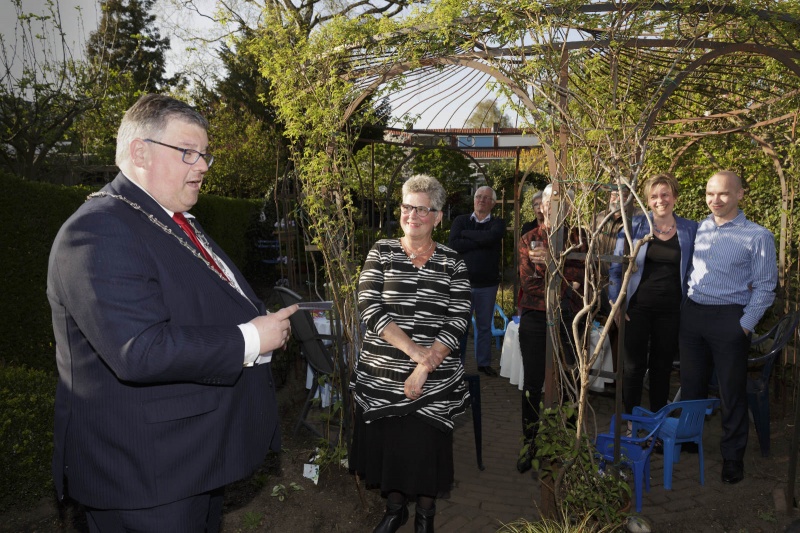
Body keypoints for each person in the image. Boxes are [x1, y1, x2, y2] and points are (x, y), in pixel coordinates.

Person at [47, 94, 298, 532]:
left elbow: (203, 303)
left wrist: (262, 325)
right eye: (188, 153)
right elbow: (138, 349)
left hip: (186, 459)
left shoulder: (173, 219)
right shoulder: (98, 229)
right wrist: (251, 339)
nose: (201, 166)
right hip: (144, 474)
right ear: (140, 151)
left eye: (204, 155)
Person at [351, 174, 471, 533]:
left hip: (433, 379)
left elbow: (459, 316)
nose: (412, 215)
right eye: (406, 207)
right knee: (393, 447)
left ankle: (425, 516)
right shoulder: (381, 251)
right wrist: (415, 352)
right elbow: (369, 306)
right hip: (382, 374)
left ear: (438, 216)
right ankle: (395, 508)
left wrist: (424, 367)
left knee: (425, 449)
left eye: (422, 209)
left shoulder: (453, 261)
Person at [679, 170, 777, 485]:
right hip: (693, 315)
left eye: (722, 193)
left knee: (731, 392)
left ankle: (733, 457)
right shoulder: (702, 228)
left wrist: (743, 327)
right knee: (691, 384)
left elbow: (765, 287)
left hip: (729, 319)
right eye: (710, 193)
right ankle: (689, 441)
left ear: (739, 195)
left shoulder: (757, 235)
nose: (715, 200)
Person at [608, 174, 697, 415]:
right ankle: (630, 422)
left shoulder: (690, 229)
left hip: (671, 311)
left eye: (665, 194)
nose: (661, 200)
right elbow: (616, 268)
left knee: (662, 368)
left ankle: (657, 422)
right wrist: (616, 301)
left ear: (675, 197)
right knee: (633, 368)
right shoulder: (634, 227)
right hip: (636, 309)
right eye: (654, 196)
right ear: (647, 200)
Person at [516, 184, 585, 473]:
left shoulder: (579, 238)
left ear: (569, 208)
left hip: (569, 317)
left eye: (560, 202)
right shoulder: (529, 238)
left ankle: (568, 443)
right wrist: (564, 275)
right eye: (548, 201)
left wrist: (551, 264)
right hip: (535, 317)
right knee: (533, 383)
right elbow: (530, 285)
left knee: (571, 380)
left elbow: (583, 281)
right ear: (541, 206)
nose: (553, 206)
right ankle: (530, 443)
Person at [448, 185, 507, 376]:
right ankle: (457, 364)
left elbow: (492, 237)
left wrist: (467, 235)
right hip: (462, 284)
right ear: (474, 200)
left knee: (484, 326)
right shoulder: (461, 220)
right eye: (478, 196)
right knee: (460, 326)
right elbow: (454, 244)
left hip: (487, 284)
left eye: (485, 197)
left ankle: (483, 364)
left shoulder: (497, 223)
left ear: (493, 203)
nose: (481, 200)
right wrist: (483, 241)